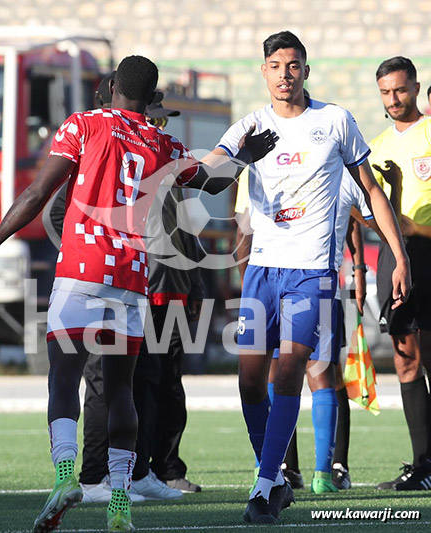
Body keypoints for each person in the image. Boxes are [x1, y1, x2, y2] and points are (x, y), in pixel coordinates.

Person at [0, 55, 278, 533]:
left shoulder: (83, 125)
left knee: (65, 373)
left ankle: (64, 476)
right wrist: (245, 156)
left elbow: (36, 195)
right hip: (132, 280)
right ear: (153, 95)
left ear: (113, 84)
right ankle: (119, 499)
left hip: (81, 270)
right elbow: (211, 180)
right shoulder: (161, 140)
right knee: (121, 389)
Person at [204, 31, 410, 524]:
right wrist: (238, 158)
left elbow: (372, 192)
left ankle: (262, 488)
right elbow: (209, 175)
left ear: (306, 70)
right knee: (250, 383)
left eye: (293, 65)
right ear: (264, 71)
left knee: (289, 373)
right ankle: (274, 477)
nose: (284, 74)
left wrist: (398, 256)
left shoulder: (335, 121)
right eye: (275, 66)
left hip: (312, 271)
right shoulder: (250, 126)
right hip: (261, 272)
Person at [43, 77, 202, 502]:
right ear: (145, 103)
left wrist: (193, 281)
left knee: (147, 381)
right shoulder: (139, 147)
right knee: (105, 384)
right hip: (127, 281)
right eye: (160, 114)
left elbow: (182, 234)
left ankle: (133, 472)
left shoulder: (148, 148)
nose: (162, 122)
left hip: (144, 284)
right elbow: (58, 210)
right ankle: (98, 478)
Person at [236, 167, 371, 494]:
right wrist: (360, 267)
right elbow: (365, 219)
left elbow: (243, 232)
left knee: (277, 374)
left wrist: (249, 284)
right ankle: (319, 474)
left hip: (278, 281)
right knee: (318, 374)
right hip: (318, 284)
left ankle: (270, 469)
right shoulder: (342, 170)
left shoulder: (260, 165)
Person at [368, 56, 431, 490]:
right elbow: (365, 208)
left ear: (415, 86)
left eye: (401, 90)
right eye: (386, 92)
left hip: (427, 250)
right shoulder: (375, 147)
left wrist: (416, 228)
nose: (393, 99)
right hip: (394, 259)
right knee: (406, 361)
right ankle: (422, 465)